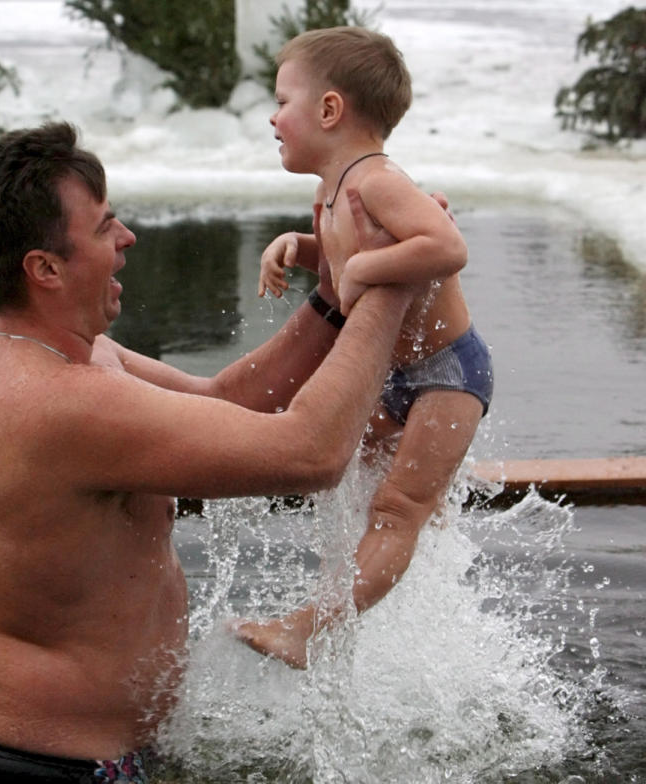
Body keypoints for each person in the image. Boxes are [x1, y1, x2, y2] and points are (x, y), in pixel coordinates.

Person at [0, 121, 416, 783]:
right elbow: (311, 454)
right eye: (105, 227)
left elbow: (227, 401)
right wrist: (391, 283)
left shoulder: (44, 359)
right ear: (44, 268)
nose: (127, 239)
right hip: (52, 768)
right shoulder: (63, 403)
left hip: (48, 750)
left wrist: (331, 298)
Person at [233, 27, 494, 669]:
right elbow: (348, 252)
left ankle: (309, 628)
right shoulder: (329, 191)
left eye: (282, 101)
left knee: (396, 509)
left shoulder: (378, 180)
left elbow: (446, 246)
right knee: (352, 489)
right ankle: (373, 605)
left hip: (447, 373)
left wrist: (362, 271)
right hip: (393, 375)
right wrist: (299, 247)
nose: (272, 117)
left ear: (329, 110)